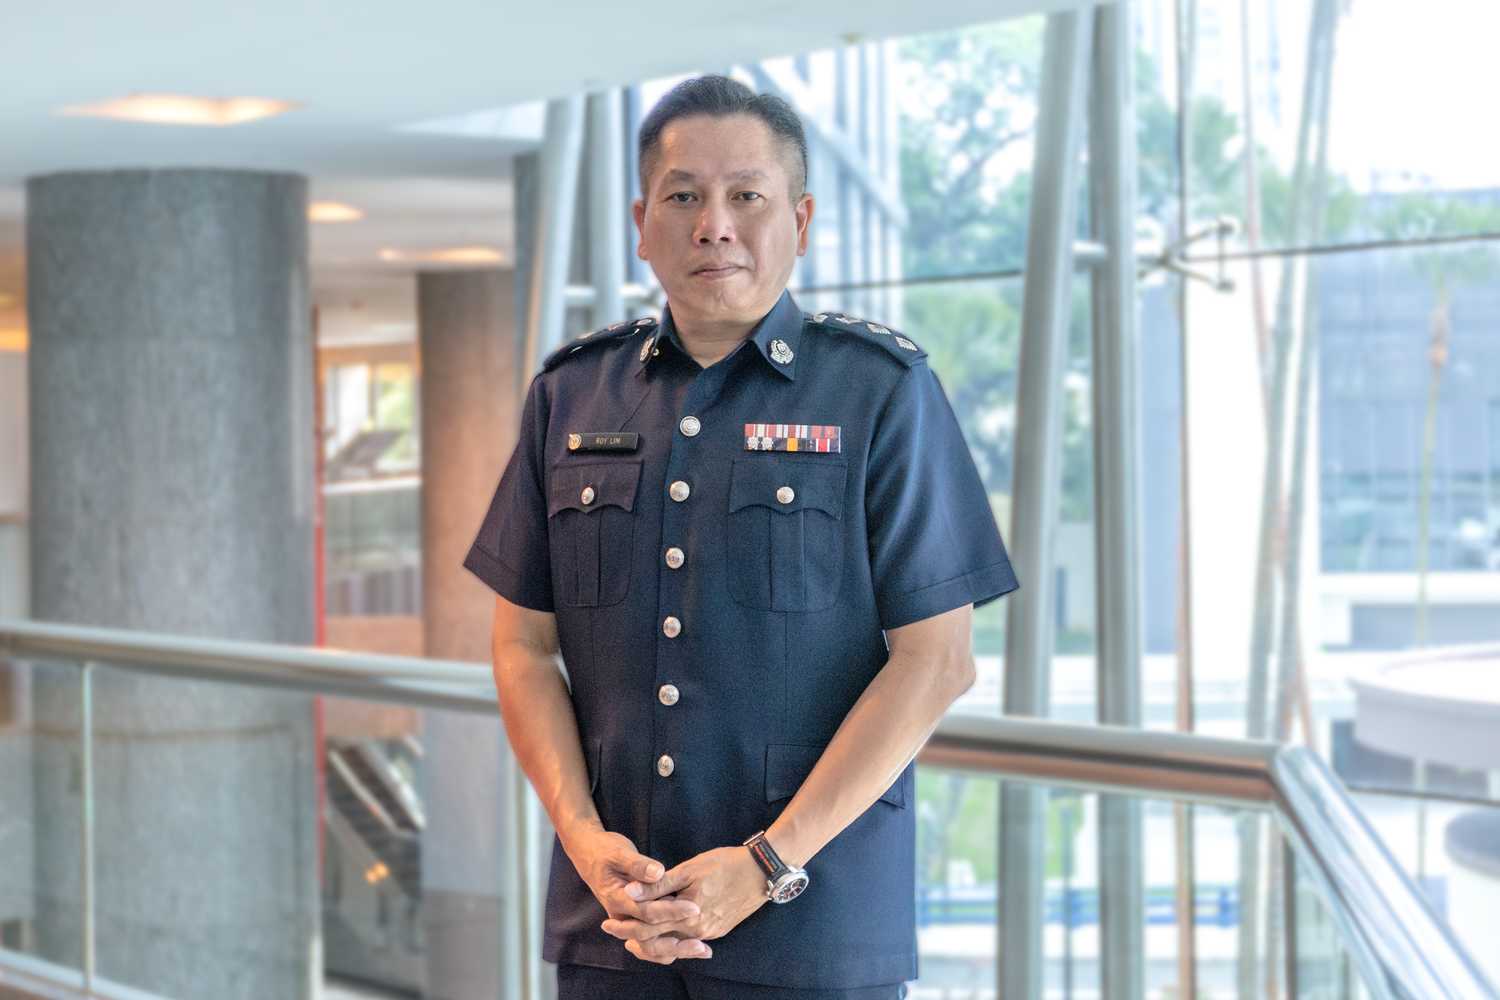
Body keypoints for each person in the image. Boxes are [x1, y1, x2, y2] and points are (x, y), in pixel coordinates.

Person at [463, 73, 1020, 1000]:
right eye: (683, 196)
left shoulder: (881, 392)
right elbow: (521, 645)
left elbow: (937, 661)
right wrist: (581, 838)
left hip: (814, 928)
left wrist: (765, 864)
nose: (712, 224)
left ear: (798, 220)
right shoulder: (571, 394)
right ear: (642, 222)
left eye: (745, 196)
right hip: (616, 925)